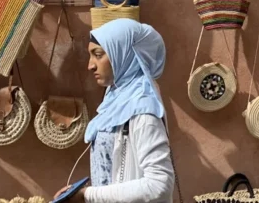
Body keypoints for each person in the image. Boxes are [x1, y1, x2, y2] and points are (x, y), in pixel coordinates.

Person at [55, 19, 175, 203]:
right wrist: (77, 193)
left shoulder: (142, 108)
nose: (90, 65)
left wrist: (88, 195)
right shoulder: (117, 100)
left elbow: (159, 185)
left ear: (123, 54)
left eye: (98, 54)